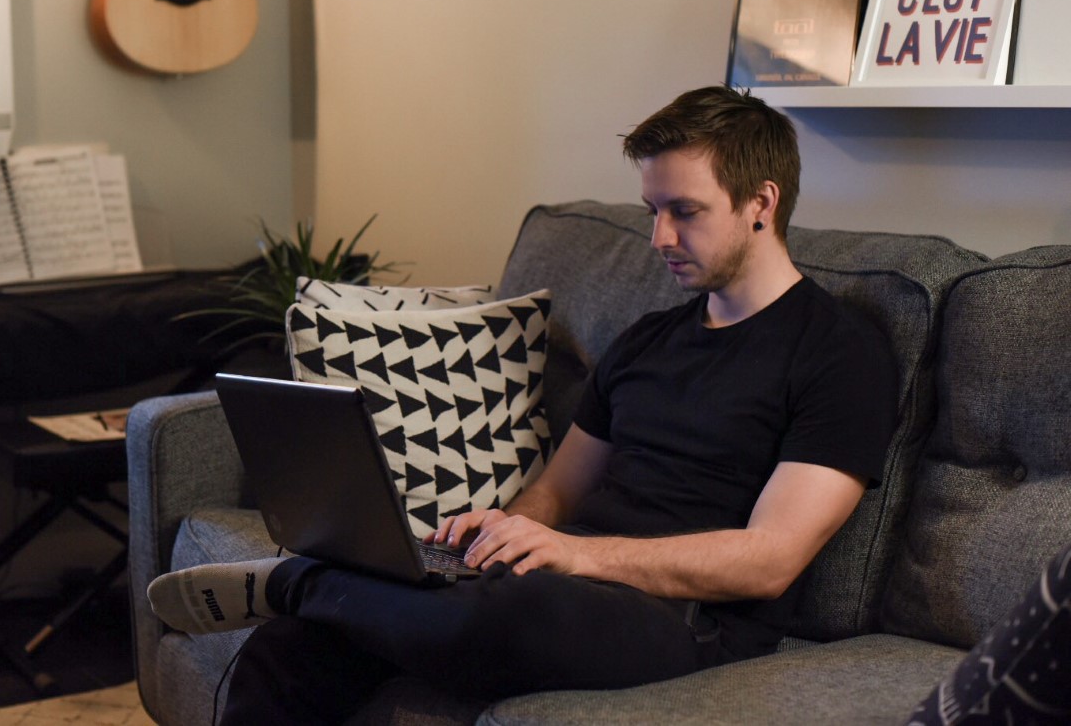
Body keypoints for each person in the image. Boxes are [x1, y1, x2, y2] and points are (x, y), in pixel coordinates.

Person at [147, 85, 897, 724]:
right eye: (652, 209)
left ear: (761, 202)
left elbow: (770, 561)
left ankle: (296, 582)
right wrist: (510, 526)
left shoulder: (838, 352)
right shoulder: (649, 340)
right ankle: (321, 592)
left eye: (684, 211)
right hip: (566, 579)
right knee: (295, 647)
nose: (658, 236)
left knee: (489, 617)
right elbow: (559, 488)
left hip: (689, 621)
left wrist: (579, 552)